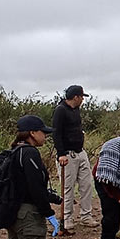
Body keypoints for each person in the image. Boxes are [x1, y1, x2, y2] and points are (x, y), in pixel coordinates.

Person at [51, 85, 97, 229]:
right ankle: (67, 218)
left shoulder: (76, 110)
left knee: (87, 184)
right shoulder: (60, 110)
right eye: (82, 97)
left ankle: (86, 216)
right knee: (68, 188)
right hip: (67, 155)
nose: (83, 99)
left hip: (80, 152)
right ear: (76, 97)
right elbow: (56, 133)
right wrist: (61, 154)